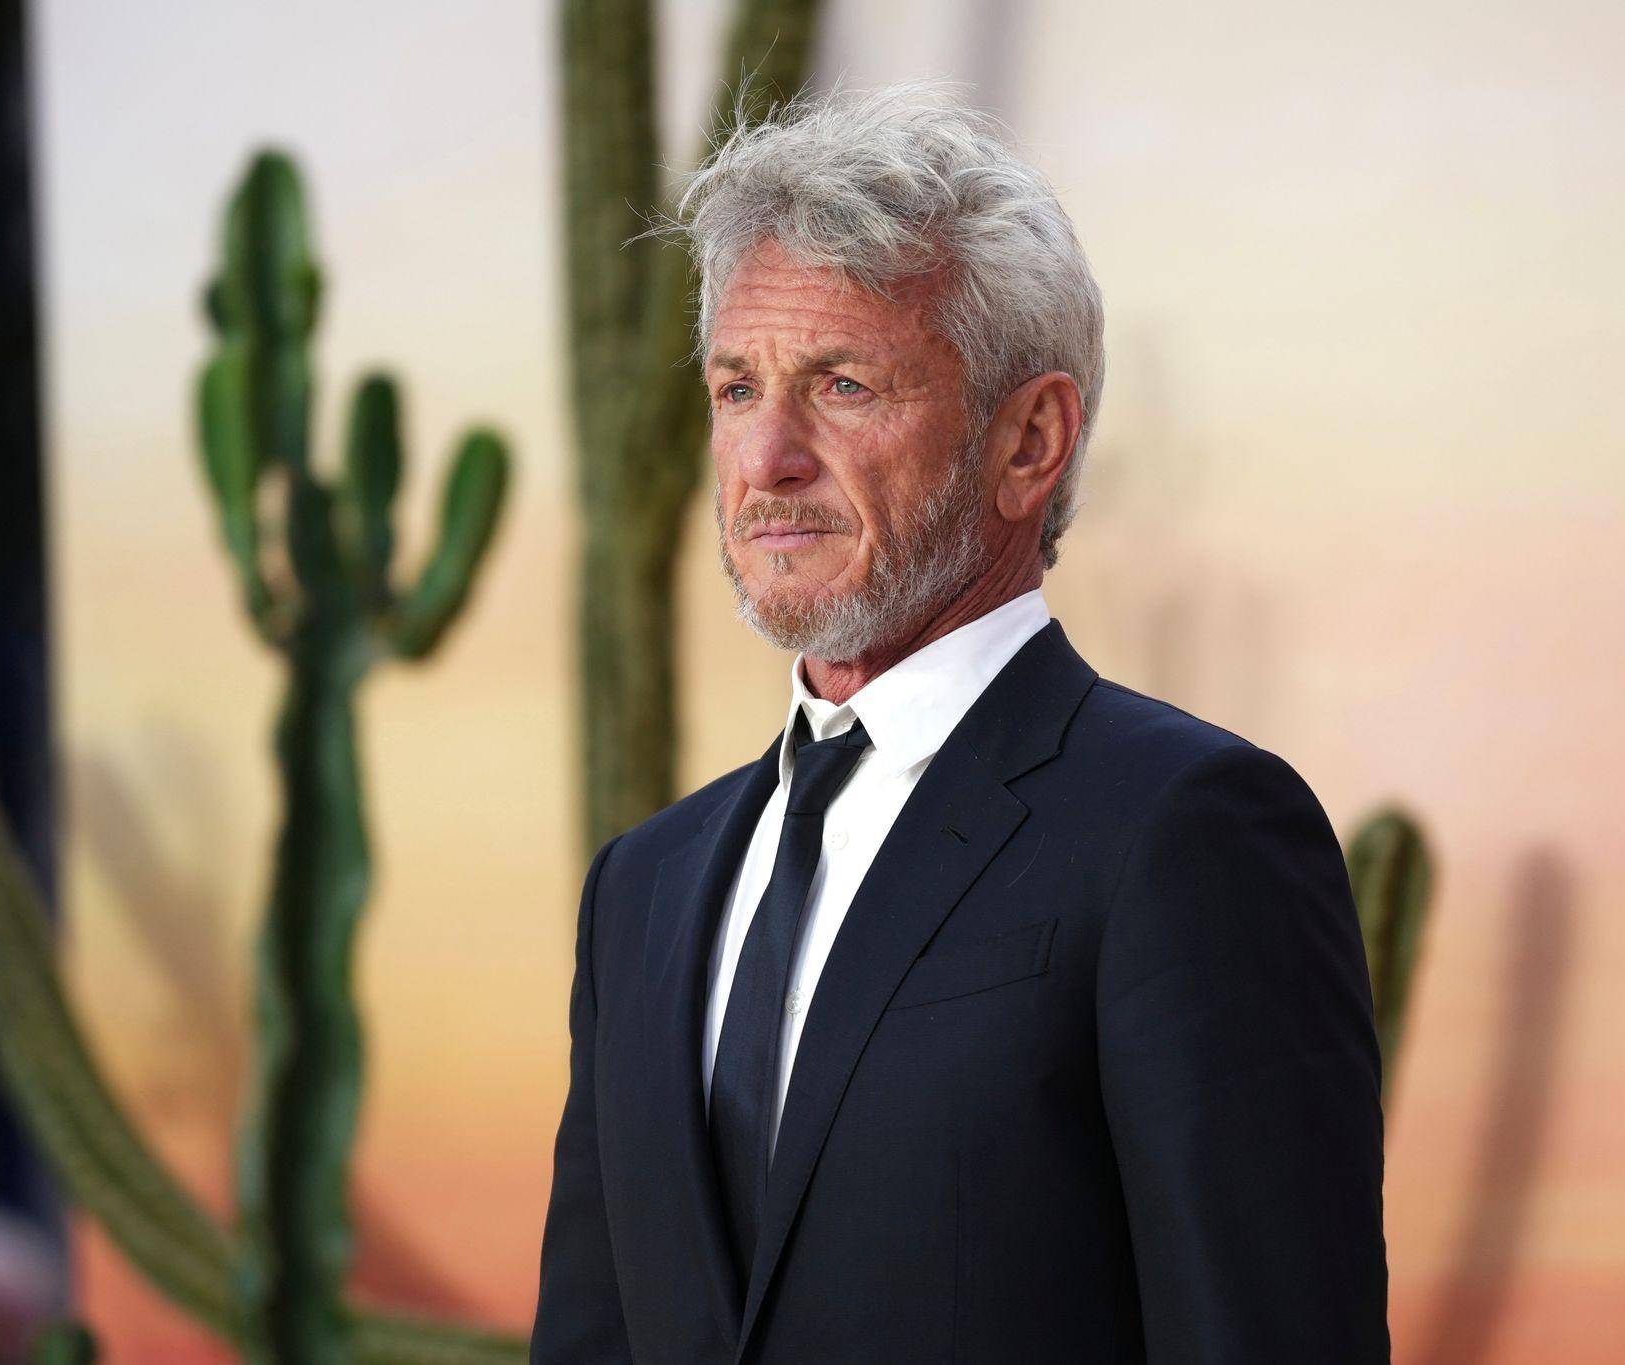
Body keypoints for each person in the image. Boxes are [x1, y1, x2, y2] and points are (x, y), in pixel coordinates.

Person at [531, 82, 1388, 1363]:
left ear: (1028, 440)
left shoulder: (1185, 834)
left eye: (841, 384)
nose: (765, 458)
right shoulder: (641, 888)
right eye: (734, 388)